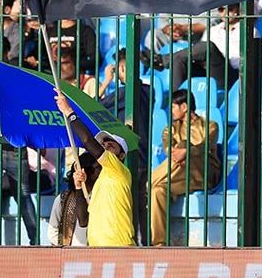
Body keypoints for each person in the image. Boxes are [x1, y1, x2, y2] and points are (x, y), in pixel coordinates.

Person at [55, 90, 134, 246]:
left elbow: (87, 140)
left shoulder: (118, 170)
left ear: (122, 156)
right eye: (103, 145)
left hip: (118, 247)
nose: (105, 148)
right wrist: (78, 188)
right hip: (97, 249)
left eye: (110, 146)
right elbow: (83, 220)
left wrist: (69, 112)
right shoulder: (102, 181)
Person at [149, 90, 222, 246]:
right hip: (180, 174)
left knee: (183, 145)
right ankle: (159, 243)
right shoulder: (170, 129)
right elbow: (169, 150)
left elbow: (206, 146)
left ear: (185, 107)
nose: (171, 111)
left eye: (174, 107)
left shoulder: (210, 126)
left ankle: (147, 184)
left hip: (204, 174)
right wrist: (181, 154)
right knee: (157, 191)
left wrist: (187, 151)